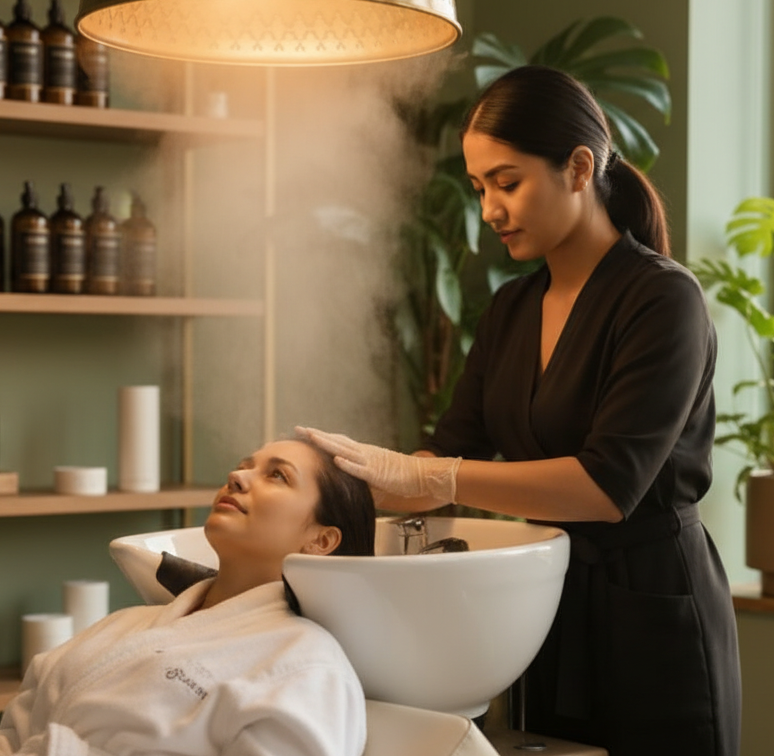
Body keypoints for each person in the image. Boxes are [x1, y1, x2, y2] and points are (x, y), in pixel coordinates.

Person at [301, 65, 740, 755]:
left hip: (650, 613)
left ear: (578, 168)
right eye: (479, 189)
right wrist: (343, 479)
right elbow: (451, 445)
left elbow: (606, 486)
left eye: (507, 183)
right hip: (542, 606)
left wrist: (435, 477)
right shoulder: (511, 309)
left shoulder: (662, 300)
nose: (489, 211)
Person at [0, 438, 376, 756]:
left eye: (276, 475)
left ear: (321, 540)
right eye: (245, 465)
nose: (237, 476)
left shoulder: (306, 667)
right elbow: (8, 739)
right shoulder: (124, 626)